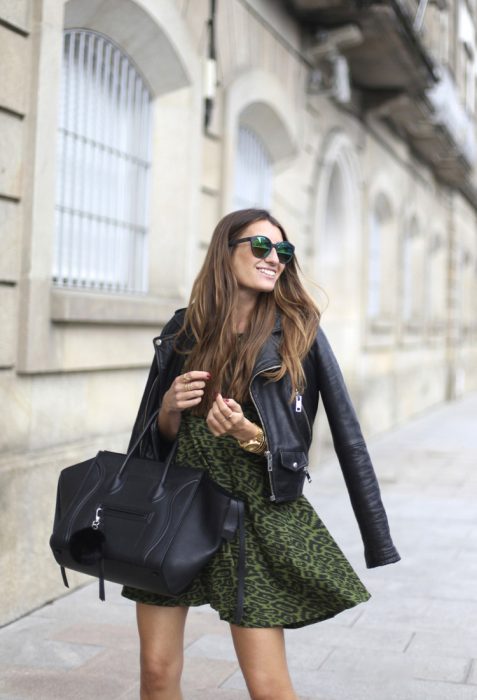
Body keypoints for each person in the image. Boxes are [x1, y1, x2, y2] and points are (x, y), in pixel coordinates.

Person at [122, 208, 400, 700]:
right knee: (156, 671)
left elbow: (340, 436)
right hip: (177, 508)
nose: (275, 258)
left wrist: (249, 434)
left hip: (251, 515)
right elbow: (152, 440)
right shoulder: (185, 330)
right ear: (225, 251)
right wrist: (169, 408)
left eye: (284, 251)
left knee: (268, 686)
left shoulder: (299, 330)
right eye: (261, 247)